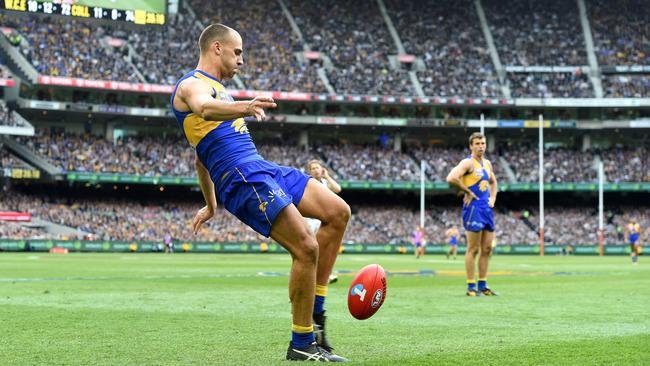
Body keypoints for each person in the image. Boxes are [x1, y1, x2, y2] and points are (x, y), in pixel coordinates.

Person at [170, 24, 350, 362]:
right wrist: (245, 105)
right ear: (217, 48)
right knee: (306, 246)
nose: (242, 59)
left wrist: (210, 206)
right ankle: (301, 343)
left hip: (261, 167)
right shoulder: (191, 85)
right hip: (241, 176)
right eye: (237, 52)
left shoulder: (220, 91)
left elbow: (200, 160)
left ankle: (317, 310)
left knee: (338, 212)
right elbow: (204, 109)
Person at [446, 133, 498, 296]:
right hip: (473, 208)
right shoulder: (468, 163)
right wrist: (466, 191)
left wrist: (493, 198)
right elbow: (451, 177)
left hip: (486, 209)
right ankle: (471, 286)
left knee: (487, 248)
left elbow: (493, 182)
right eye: (477, 143)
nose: (481, 146)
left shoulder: (488, 164)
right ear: (471, 146)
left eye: (483, 143)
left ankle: (483, 285)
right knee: (473, 249)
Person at [305, 159, 342, 284]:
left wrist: (327, 176)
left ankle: (324, 274)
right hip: (311, 221)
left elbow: (338, 189)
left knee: (323, 248)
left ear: (322, 169)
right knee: (314, 249)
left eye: (317, 167)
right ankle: (318, 275)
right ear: (310, 171)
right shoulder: (308, 183)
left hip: (321, 220)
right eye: (313, 168)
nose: (316, 170)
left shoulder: (325, 182)